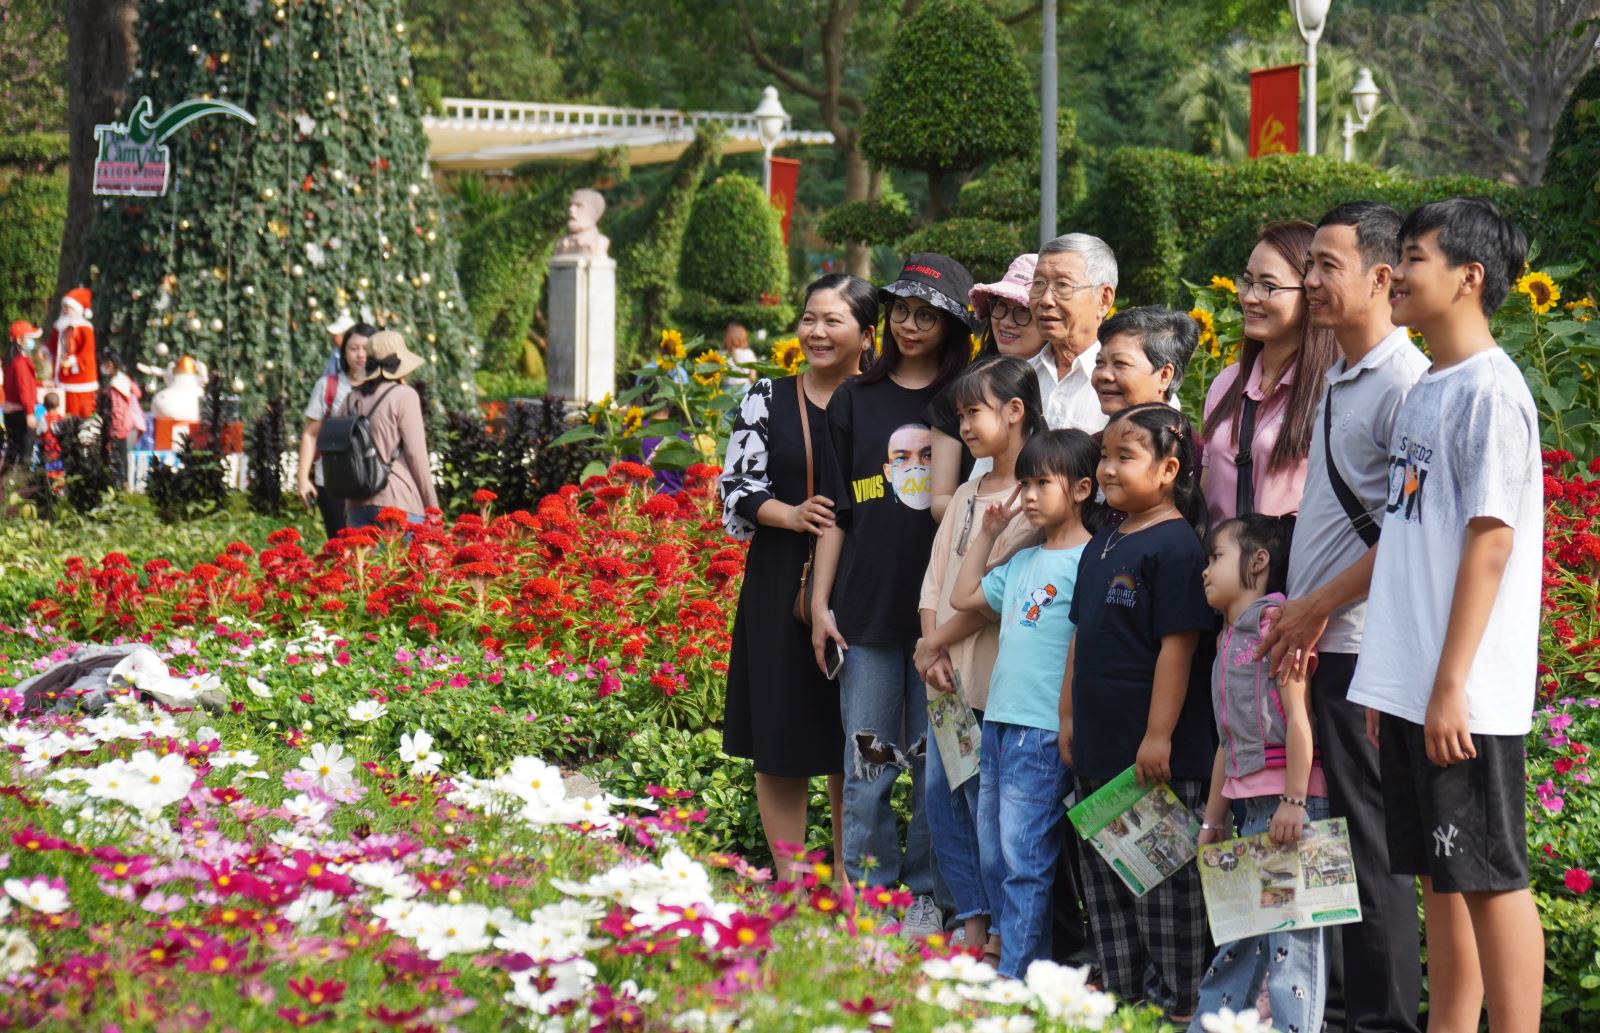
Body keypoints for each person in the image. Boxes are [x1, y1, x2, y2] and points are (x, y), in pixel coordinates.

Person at [1349, 197, 1543, 1033]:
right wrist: (1391, 677)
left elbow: (1490, 544)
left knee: (1493, 877)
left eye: (1415, 256)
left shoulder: (1491, 393)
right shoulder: (1432, 383)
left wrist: (1450, 683)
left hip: (1464, 691)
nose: (1398, 271)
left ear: (1469, 277)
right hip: (1418, 680)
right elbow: (1408, 536)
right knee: (1443, 877)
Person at [1257, 201, 1428, 1033]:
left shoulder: (1404, 384)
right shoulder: (1343, 374)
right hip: (1322, 644)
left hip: (1360, 646)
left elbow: (1409, 535)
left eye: (1327, 264)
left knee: (1373, 847)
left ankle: (1385, 1020)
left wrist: (1316, 605)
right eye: (1311, 265)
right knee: (1338, 840)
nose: (1312, 281)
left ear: (1381, 276)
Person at [809, 252, 977, 939]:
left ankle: (928, 895)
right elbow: (839, 512)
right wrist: (821, 604)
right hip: (869, 616)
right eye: (901, 311)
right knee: (872, 766)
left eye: (927, 315)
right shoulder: (855, 399)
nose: (910, 325)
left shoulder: (969, 396)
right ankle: (873, 898)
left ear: (952, 326)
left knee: (942, 770)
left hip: (947, 617)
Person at [720, 274, 878, 880]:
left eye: (832, 321)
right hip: (785, 577)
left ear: (867, 334)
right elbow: (736, 484)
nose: (815, 331)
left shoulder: (882, 400)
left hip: (865, 575)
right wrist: (791, 513)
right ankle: (789, 884)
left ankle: (846, 879)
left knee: (848, 733)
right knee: (782, 736)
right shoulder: (769, 396)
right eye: (809, 318)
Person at [1061, 402, 1215, 1024]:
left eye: (1125, 456)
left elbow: (1178, 648)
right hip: (1097, 747)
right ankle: (1125, 998)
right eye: (1105, 455)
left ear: (1168, 467)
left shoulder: (1176, 547)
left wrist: (1158, 736)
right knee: (1105, 884)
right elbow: (1080, 637)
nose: (1107, 468)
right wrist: (1068, 716)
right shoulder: (1101, 541)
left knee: (1163, 889)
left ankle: (1175, 1004)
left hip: (1153, 760)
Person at [952, 427, 1097, 977]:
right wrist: (989, 535)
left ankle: (1017, 976)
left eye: (1042, 483)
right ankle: (1026, 965)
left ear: (1082, 489)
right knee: (997, 854)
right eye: (1025, 483)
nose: (1029, 494)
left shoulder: (1090, 559)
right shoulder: (1022, 562)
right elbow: (964, 597)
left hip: (1041, 729)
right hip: (999, 722)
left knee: (1024, 860)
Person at [915, 356, 1047, 956]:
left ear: (1014, 411)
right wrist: (928, 646)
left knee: (991, 813)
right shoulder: (968, 492)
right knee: (943, 804)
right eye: (960, 413)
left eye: (974, 411)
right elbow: (937, 578)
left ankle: (1000, 933)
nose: (964, 425)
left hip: (995, 680)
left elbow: (995, 591)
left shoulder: (1035, 497)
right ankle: (971, 923)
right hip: (944, 677)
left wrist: (934, 642)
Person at [1193, 515, 1329, 1033]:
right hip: (1251, 809)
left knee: (1289, 946)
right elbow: (1227, 743)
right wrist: (1212, 821)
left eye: (1216, 557)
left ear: (1258, 561)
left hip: (1286, 809)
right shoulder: (1227, 639)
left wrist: (1296, 801)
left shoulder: (1278, 623)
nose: (1205, 570)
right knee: (1239, 939)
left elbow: (1299, 717)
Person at [1200, 222, 1340, 527]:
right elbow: (1205, 494)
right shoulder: (1226, 384)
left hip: (1290, 570)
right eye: (1247, 282)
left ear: (1310, 293)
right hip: (1218, 570)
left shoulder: (1332, 392)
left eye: (1268, 286)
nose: (1250, 297)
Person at [928, 253, 1046, 520]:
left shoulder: (1065, 385)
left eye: (1022, 311)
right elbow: (940, 502)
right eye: (1000, 307)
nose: (1005, 321)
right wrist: (996, 516)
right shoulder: (960, 391)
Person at [342, 330, 438, 529]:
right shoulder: (404, 395)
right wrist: (432, 508)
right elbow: (416, 455)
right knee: (404, 561)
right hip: (399, 501)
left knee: (362, 562)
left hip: (356, 505)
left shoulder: (350, 399)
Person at [1029, 234, 1117, 433]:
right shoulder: (1021, 379)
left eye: (1063, 285)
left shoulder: (1132, 385)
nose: (1046, 300)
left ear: (1103, 299)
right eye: (1039, 283)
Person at [297, 322, 375, 539]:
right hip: (334, 481)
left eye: (366, 348)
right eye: (353, 348)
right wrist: (302, 478)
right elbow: (310, 434)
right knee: (341, 547)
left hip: (376, 480)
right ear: (344, 352)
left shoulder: (386, 387)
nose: (361, 354)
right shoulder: (328, 386)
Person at [1091, 307, 1199, 416]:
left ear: (1164, 376)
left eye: (1121, 363)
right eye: (1099, 362)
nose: (1103, 375)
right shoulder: (1103, 433)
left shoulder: (1175, 433)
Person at [47, 288, 96, 418]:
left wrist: (73, 361)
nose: (65, 310)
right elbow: (51, 346)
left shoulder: (85, 328)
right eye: (64, 307)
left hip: (79, 378)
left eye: (68, 307)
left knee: (79, 412)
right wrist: (45, 352)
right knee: (63, 410)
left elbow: (88, 353)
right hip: (62, 377)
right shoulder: (59, 327)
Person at [3, 320, 42, 475]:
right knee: (25, 454)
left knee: (13, 452)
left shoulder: (10, 360)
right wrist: (30, 413)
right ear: (20, 340)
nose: (32, 341)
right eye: (29, 337)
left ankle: (6, 486)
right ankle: (21, 490)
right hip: (21, 413)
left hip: (11, 412)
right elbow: (23, 388)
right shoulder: (20, 362)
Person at [100, 351, 146, 479]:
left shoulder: (116, 386)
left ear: (112, 364)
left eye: (106, 363)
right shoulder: (124, 380)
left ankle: (121, 485)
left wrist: (114, 429)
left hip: (117, 425)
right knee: (123, 456)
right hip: (125, 424)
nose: (104, 366)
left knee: (118, 458)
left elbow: (117, 409)